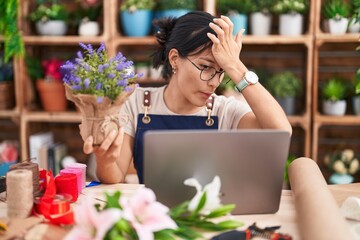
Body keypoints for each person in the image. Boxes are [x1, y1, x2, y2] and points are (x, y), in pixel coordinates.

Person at [83, 11, 292, 184]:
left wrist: (235, 66)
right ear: (175, 59)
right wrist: (105, 161)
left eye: (221, 72)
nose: (213, 82)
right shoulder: (136, 102)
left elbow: (281, 132)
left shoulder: (224, 110)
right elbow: (114, 176)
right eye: (205, 67)